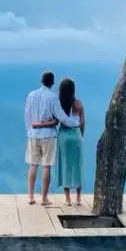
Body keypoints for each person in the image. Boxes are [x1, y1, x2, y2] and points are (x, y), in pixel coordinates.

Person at [25, 71, 79, 206]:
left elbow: (27, 115)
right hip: (48, 135)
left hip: (33, 134)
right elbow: (62, 117)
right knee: (46, 167)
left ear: (41, 81)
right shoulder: (52, 97)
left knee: (33, 165)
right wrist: (76, 123)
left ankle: (31, 196)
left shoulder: (31, 95)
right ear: (52, 83)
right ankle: (44, 198)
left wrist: (30, 130)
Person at [55, 78, 85, 206]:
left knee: (65, 164)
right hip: (76, 134)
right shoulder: (78, 103)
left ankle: (67, 199)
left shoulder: (58, 104)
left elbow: (56, 120)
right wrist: (81, 135)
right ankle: (78, 197)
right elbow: (82, 121)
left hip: (63, 135)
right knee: (78, 165)